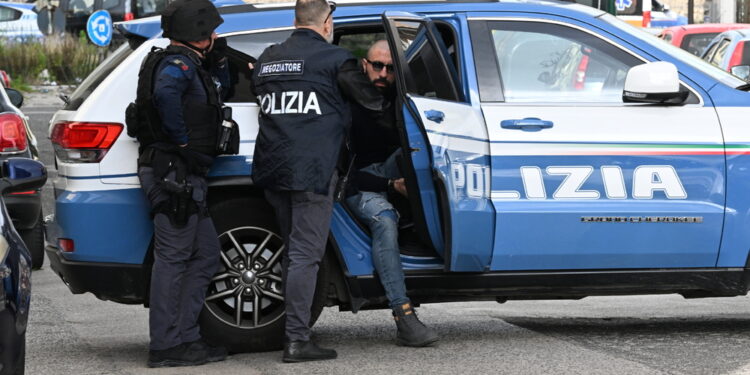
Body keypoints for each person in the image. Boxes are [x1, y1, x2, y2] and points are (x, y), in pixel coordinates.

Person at [251, 0, 389, 363]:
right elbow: (373, 105)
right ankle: (296, 339)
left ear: (294, 19)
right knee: (303, 256)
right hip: (312, 173)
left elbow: (260, 94)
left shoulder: (268, 58)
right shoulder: (336, 60)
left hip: (273, 171)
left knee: (293, 251)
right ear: (327, 22)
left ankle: (293, 330)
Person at [129, 0, 231, 367]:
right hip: (175, 175)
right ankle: (165, 346)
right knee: (172, 260)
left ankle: (187, 338)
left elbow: (221, 89)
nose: (215, 36)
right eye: (210, 32)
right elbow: (166, 95)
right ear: (197, 35)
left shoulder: (194, 62)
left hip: (186, 177)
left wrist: (219, 59)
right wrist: (184, 142)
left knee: (205, 254)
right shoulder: (177, 65)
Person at [345, 40, 439, 347]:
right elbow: (342, 175)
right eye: (377, 66)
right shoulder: (345, 106)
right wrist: (388, 187)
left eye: (390, 68)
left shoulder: (400, 105)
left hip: (385, 176)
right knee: (384, 219)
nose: (383, 73)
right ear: (364, 65)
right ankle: (403, 315)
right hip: (357, 185)